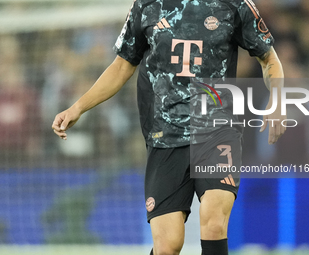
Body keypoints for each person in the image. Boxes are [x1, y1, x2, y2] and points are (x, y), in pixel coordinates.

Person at [52, 0, 285, 254]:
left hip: (216, 129)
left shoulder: (234, 4)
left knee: (214, 223)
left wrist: (278, 100)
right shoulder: (147, 5)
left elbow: (268, 58)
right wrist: (78, 107)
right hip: (165, 136)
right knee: (168, 246)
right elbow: (121, 65)